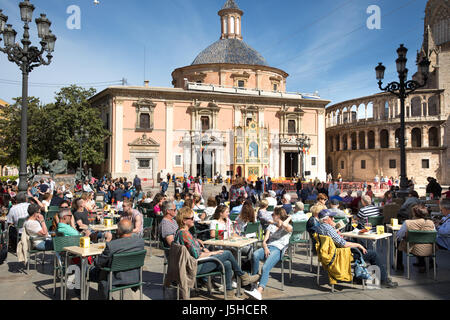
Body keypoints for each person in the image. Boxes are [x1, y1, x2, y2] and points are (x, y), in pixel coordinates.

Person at [175, 206, 259, 299]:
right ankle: (243, 276)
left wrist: (202, 248)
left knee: (227, 263)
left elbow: (192, 251)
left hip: (191, 264)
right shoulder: (185, 234)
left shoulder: (181, 232)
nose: (193, 220)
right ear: (183, 221)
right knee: (227, 253)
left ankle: (230, 294)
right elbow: (197, 255)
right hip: (194, 267)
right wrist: (212, 253)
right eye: (191, 218)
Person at [315, 209, 398, 288]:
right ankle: (384, 280)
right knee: (373, 254)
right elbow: (343, 244)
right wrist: (358, 245)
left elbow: (335, 240)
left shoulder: (319, 227)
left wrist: (334, 229)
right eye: (331, 217)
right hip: (340, 254)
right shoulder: (328, 228)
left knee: (362, 249)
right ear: (325, 220)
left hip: (331, 253)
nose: (333, 218)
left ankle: (358, 278)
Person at [88, 219, 145, 300]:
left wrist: (107, 241)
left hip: (114, 279)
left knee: (83, 271)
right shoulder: (140, 242)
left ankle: (80, 293)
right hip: (134, 278)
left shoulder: (112, 245)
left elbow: (98, 263)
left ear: (118, 230)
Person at [245, 208, 293, 300]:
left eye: (273, 214)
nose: (272, 216)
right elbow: (264, 241)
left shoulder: (288, 227)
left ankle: (259, 292)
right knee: (255, 255)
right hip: (268, 247)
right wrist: (266, 247)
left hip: (279, 249)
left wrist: (289, 217)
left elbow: (284, 224)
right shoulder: (271, 226)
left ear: (278, 216)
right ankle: (254, 282)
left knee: (265, 267)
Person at [396, 204, 436, 272]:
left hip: (412, 248)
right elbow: (434, 235)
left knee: (398, 241)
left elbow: (399, 236)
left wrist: (405, 236)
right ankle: (423, 264)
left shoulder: (407, 223)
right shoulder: (431, 223)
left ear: (414, 213)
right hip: (428, 249)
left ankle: (399, 265)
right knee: (422, 241)